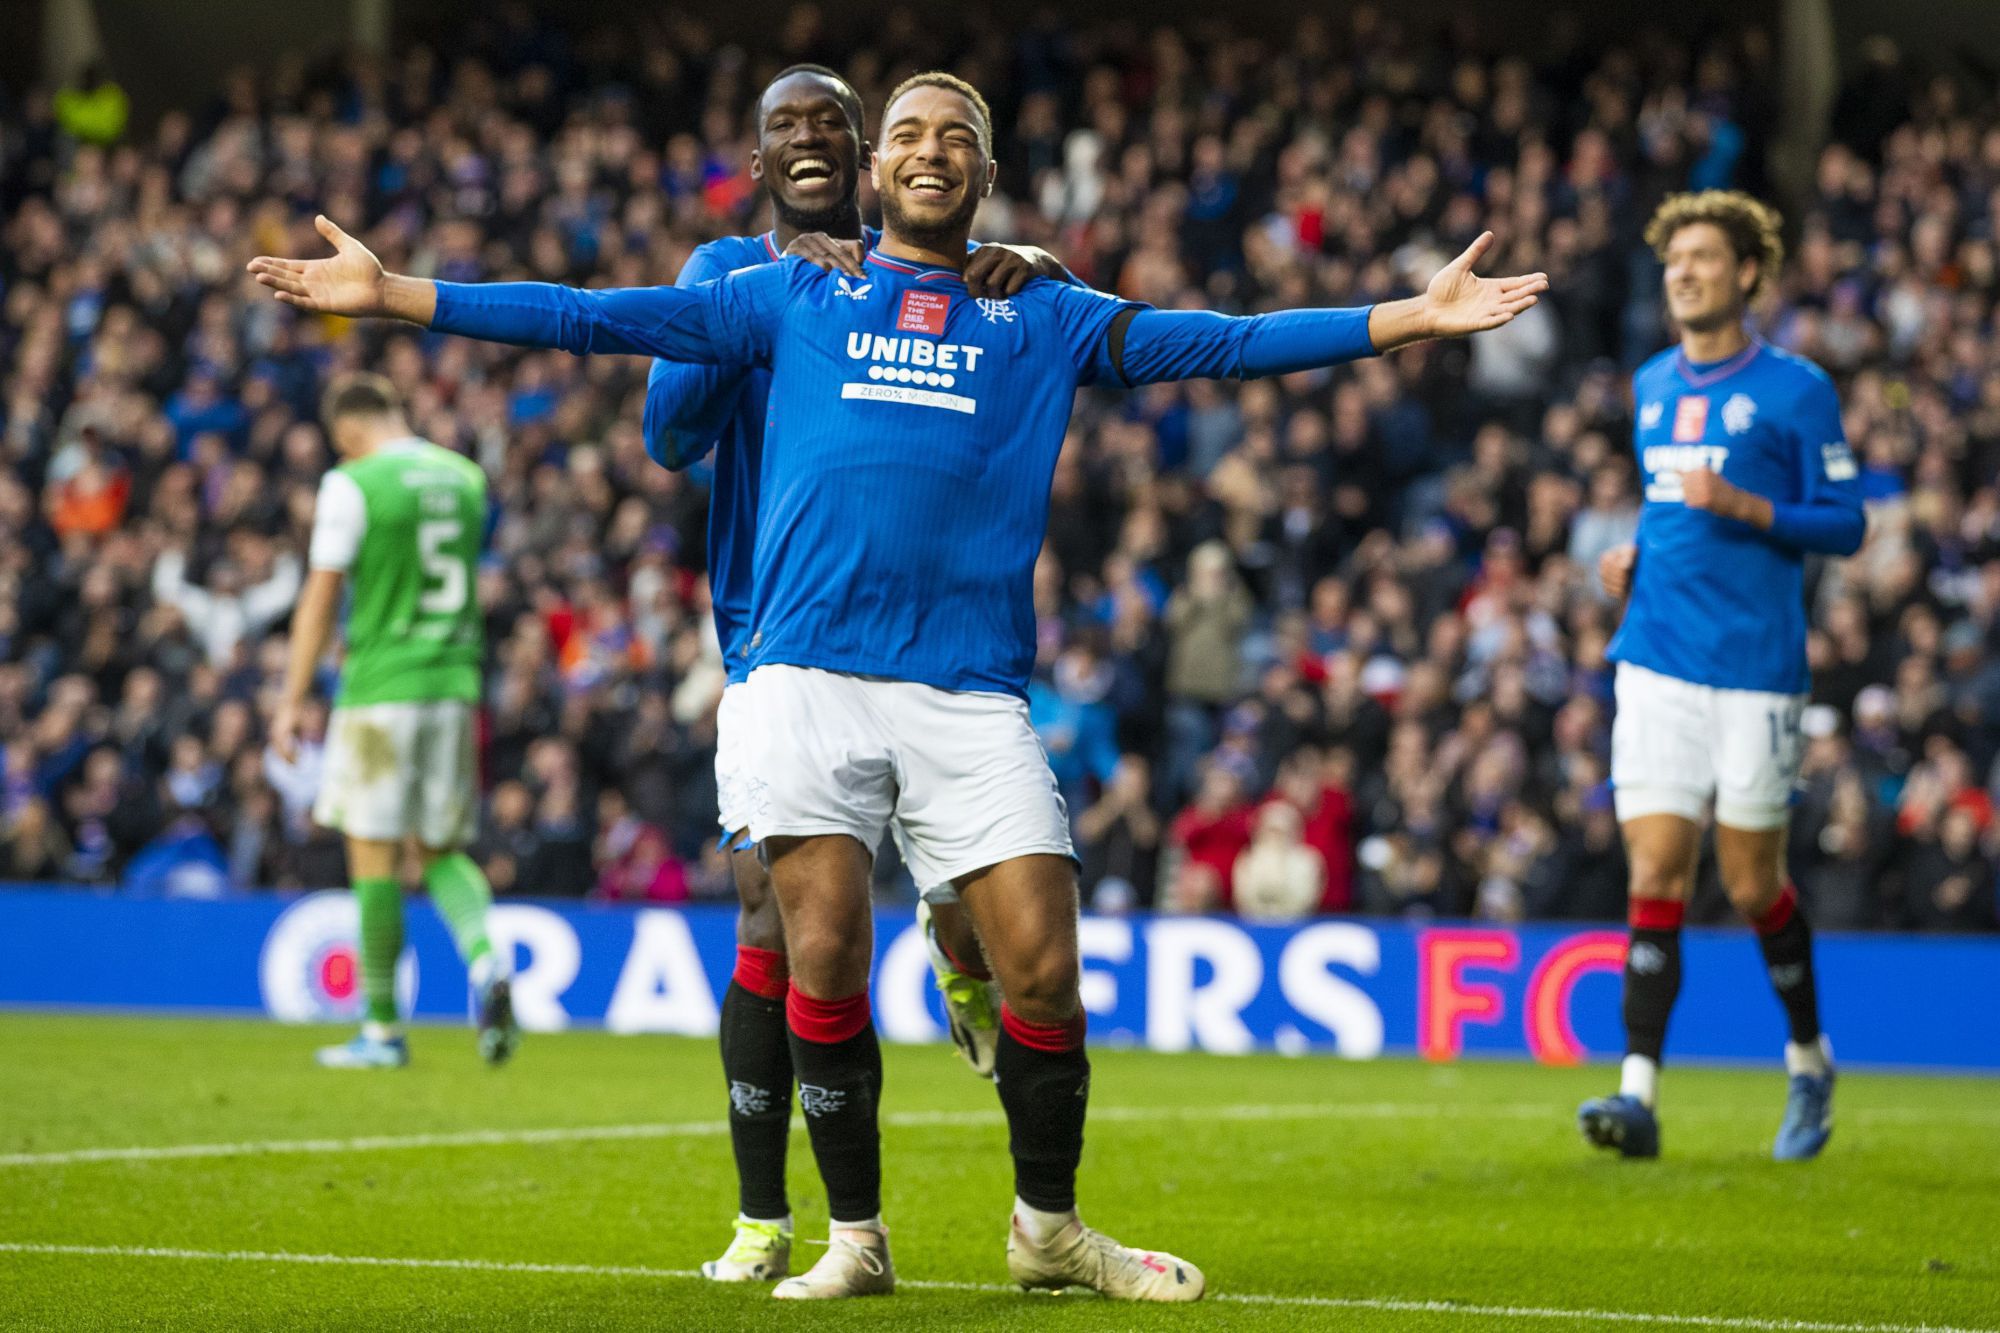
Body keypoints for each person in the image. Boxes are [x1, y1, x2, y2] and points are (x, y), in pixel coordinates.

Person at [248, 71, 1545, 1301]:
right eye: (910, 135)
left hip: (968, 692)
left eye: (955, 137)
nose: (931, 152)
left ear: (986, 171)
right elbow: (589, 315)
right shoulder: (790, 292)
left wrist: (1407, 318)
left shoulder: (1040, 309)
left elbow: (1226, 342)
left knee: (1045, 971)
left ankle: (1048, 1230)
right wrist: (396, 295)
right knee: (819, 952)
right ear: (875, 170)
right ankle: (853, 1236)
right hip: (801, 673)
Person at [639, 63, 1070, 1285]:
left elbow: (1013, 309)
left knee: (973, 901)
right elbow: (669, 436)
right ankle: (766, 1216)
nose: (811, 139)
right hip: (773, 630)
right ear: (759, 161)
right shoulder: (736, 273)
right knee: (777, 921)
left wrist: (1023, 265)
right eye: (786, 126)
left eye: (833, 122)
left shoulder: (945, 276)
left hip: (931, 642)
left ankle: (962, 964)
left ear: (868, 156)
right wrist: (767, 306)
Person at [1579, 191, 1866, 1162]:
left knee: (1750, 883)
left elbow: (1846, 523)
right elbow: (1668, 511)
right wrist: (1634, 560)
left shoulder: (1795, 390)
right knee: (1655, 869)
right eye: (1673, 261)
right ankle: (1636, 1094)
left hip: (1754, 673)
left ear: (1747, 272)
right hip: (1655, 655)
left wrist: (1746, 506)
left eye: (1702, 257)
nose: (1683, 273)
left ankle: (1808, 1060)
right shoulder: (1651, 382)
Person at [270, 374, 518, 1070]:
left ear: (347, 429)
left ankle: (380, 1031)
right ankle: (487, 957)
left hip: (381, 691)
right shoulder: (464, 477)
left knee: (374, 856)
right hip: (454, 686)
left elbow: (322, 597)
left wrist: (291, 699)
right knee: (437, 848)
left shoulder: (353, 483)